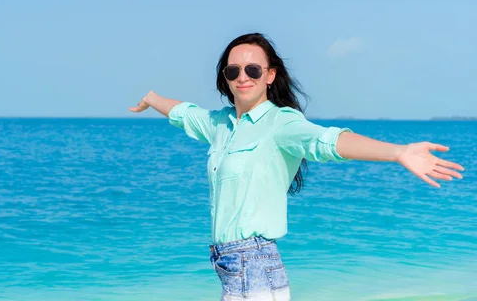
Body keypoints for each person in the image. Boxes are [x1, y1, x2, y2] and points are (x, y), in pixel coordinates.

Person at [128, 33, 464, 301]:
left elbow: (329, 142)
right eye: (233, 71)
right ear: (225, 78)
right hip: (233, 267)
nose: (242, 77)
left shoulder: (281, 122)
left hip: (254, 266)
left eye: (253, 69)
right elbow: (185, 113)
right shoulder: (221, 125)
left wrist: (398, 152)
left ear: (270, 75)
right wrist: (152, 98)